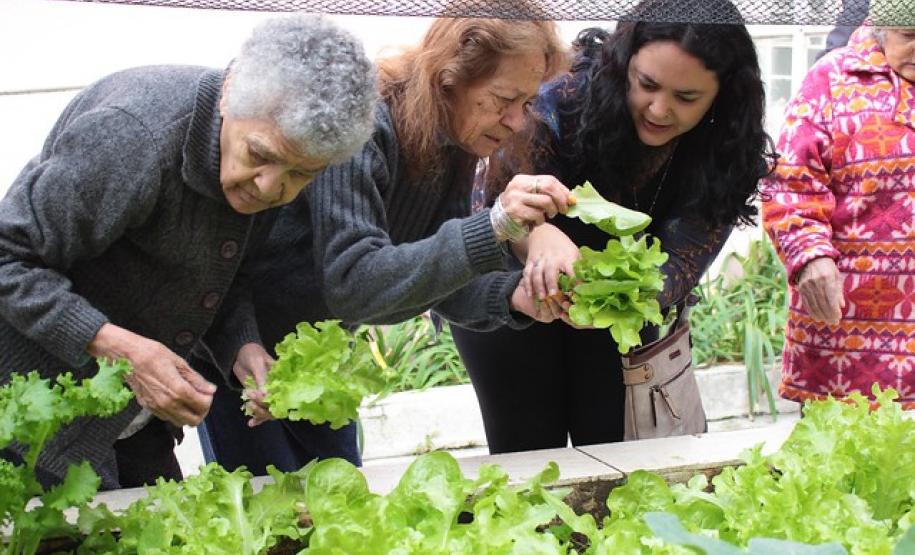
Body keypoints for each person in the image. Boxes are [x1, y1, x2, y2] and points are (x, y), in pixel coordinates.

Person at [0, 15, 377, 490]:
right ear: (229, 96)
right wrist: (120, 349)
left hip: (128, 426)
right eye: (260, 155)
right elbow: (7, 258)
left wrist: (243, 346)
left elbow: (222, 272)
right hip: (24, 424)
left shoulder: (265, 168)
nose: (270, 187)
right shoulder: (133, 137)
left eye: (302, 174)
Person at [195, 6, 573, 475]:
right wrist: (494, 225)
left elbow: (435, 279)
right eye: (503, 99)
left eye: (527, 103)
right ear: (451, 74)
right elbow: (354, 284)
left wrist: (515, 297)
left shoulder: (455, 143)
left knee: (337, 502)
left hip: (318, 360)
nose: (516, 121)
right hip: (243, 352)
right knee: (263, 509)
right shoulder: (366, 126)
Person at [451, 0, 777, 454]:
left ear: (722, 96)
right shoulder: (563, 97)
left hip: (617, 312)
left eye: (686, 98)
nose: (659, 109)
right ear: (626, 64)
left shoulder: (726, 152)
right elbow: (489, 201)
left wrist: (600, 297)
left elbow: (676, 267)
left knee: (621, 458)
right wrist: (538, 235)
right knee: (528, 459)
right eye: (647, 84)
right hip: (513, 291)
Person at [760, 1, 915, 409]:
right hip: (845, 339)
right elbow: (790, 182)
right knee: (844, 446)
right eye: (909, 36)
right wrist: (809, 256)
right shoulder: (831, 79)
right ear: (881, 26)